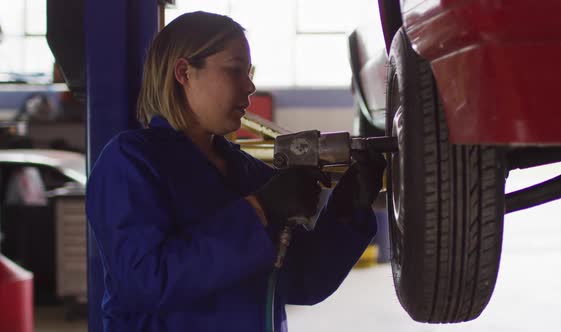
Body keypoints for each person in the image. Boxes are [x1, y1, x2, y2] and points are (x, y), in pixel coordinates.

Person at [86, 11, 385, 332]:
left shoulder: (248, 172)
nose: (250, 86)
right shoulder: (131, 161)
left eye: (250, 72)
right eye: (235, 70)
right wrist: (258, 210)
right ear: (184, 72)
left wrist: (347, 209)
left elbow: (303, 280)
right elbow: (147, 279)